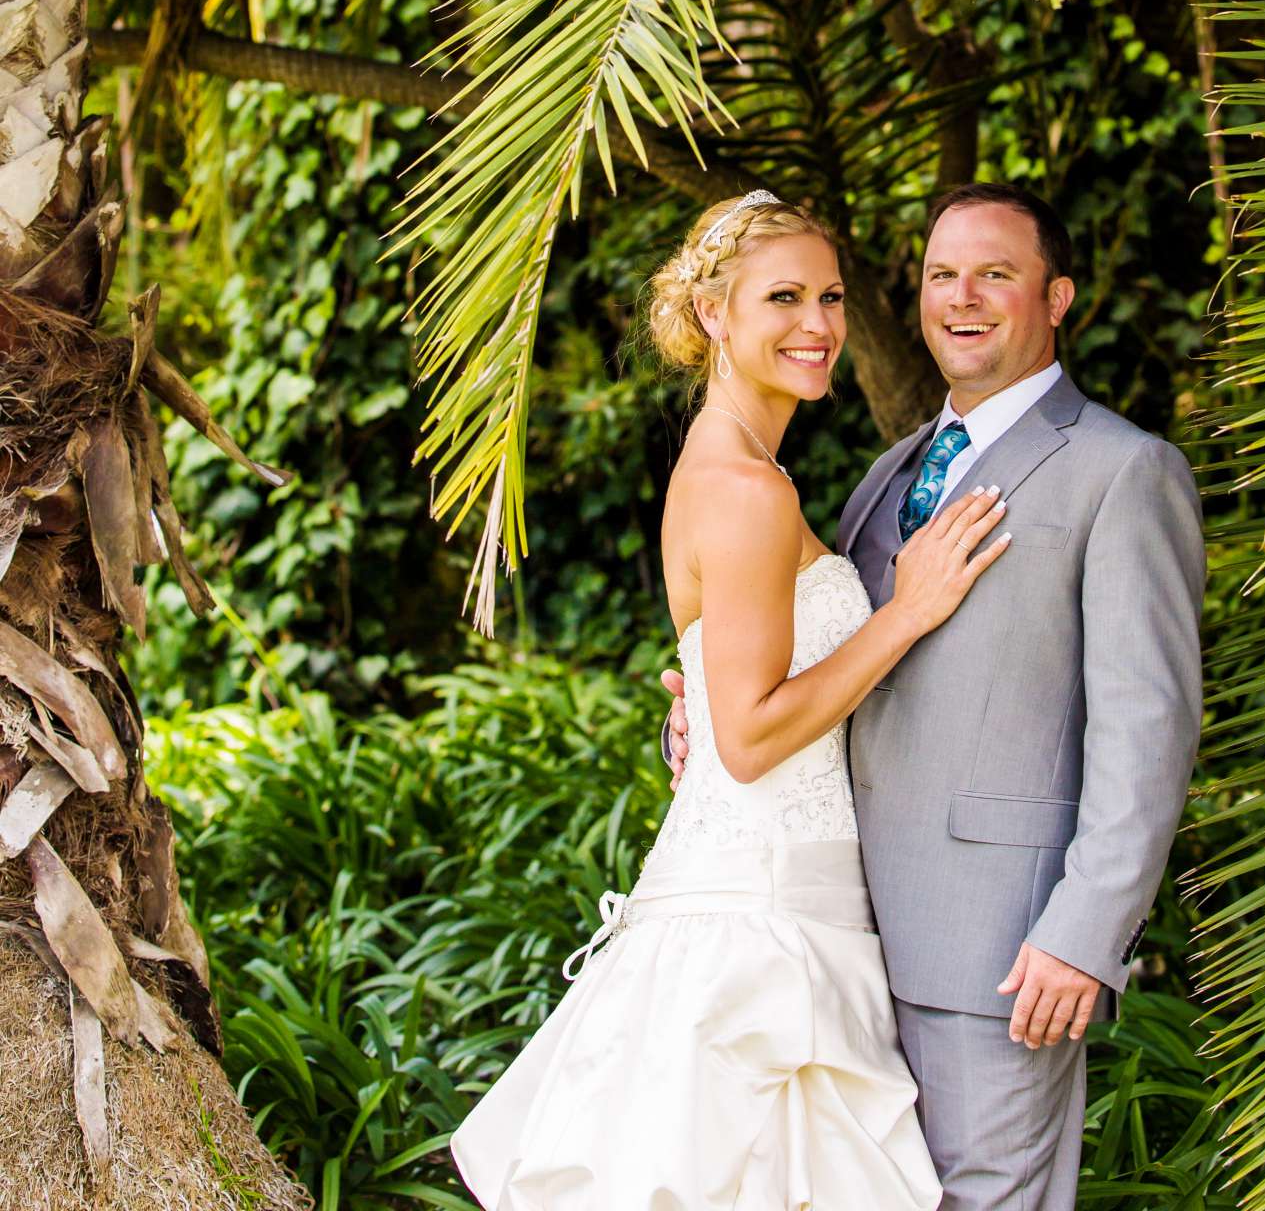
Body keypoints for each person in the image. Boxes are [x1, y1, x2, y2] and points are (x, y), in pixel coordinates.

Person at [450, 187, 1012, 1211]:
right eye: (783, 298)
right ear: (713, 312)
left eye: (831, 296)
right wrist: (906, 610)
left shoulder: (736, 471)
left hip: (784, 897)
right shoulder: (747, 491)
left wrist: (700, 712)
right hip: (760, 920)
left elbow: (732, 701)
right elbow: (751, 738)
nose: (817, 325)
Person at [665, 180, 1206, 1210]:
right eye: (940, 275)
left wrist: (1084, 931)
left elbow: (1151, 728)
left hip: (999, 959)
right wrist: (698, 700)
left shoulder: (1122, 472)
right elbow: (821, 664)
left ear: (1056, 299)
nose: (963, 297)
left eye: (995, 274)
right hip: (842, 947)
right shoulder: (887, 474)